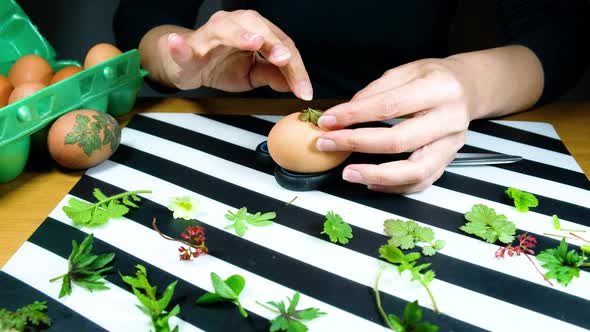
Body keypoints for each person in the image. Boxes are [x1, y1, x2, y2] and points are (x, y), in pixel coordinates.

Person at [113, 1, 590, 193]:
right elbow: (142, 19)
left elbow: (560, 37)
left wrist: (469, 82)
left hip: (422, 119)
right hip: (234, 108)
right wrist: (181, 57)